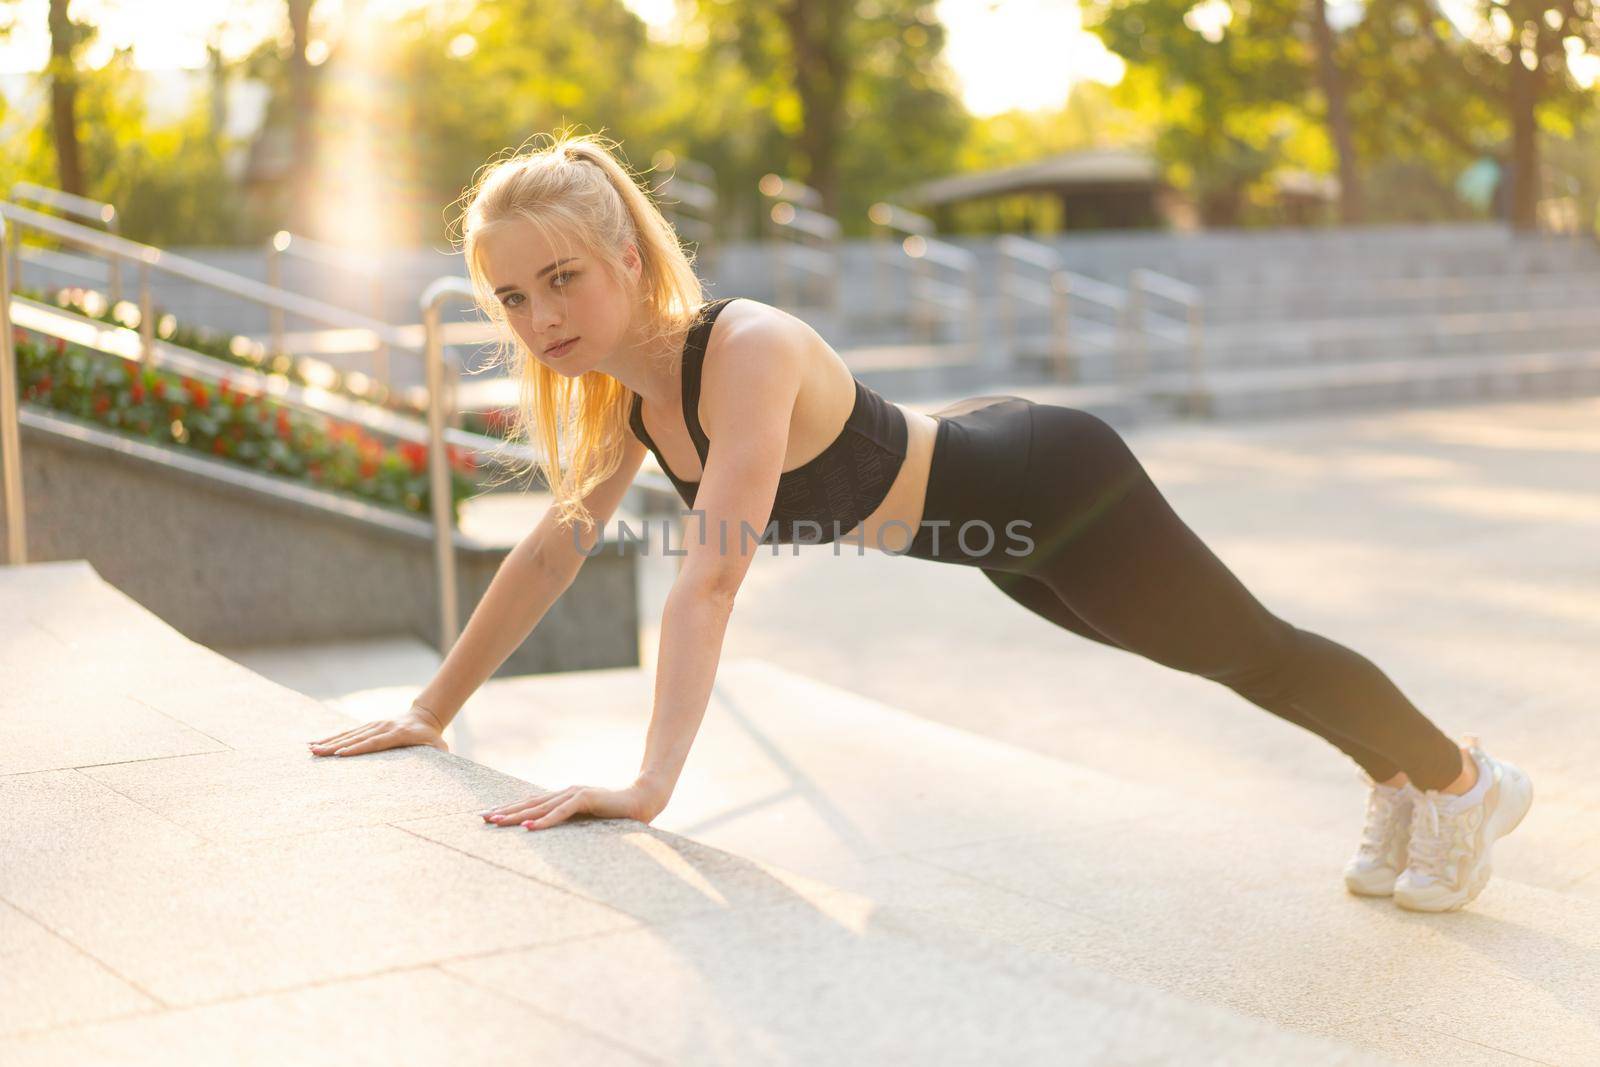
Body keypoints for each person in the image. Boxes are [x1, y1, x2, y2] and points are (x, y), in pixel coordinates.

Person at [308, 131, 1533, 914]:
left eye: (562, 278)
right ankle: (1400, 771)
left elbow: (708, 579)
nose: (539, 316)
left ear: (627, 253)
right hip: (989, 535)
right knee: (1215, 652)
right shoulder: (625, 398)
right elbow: (553, 545)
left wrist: (649, 782)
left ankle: (1460, 776)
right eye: (513, 295)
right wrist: (432, 707)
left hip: (1053, 487)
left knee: (1242, 644)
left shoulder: (742, 349)